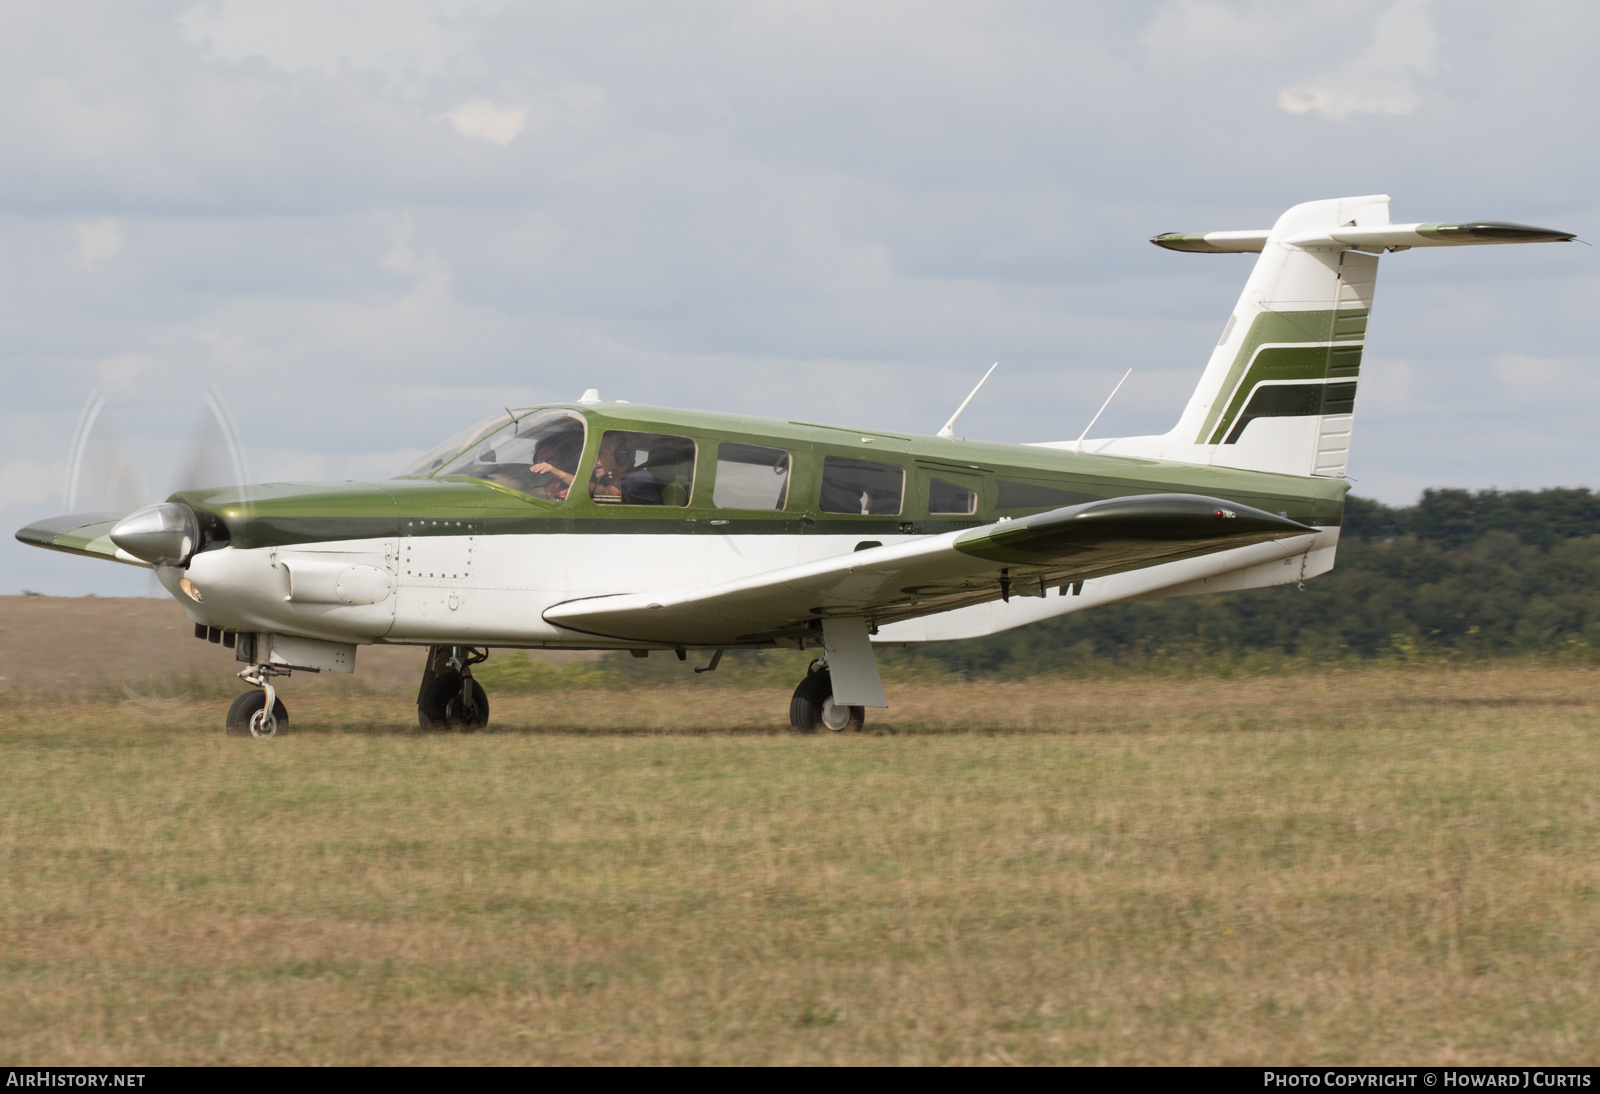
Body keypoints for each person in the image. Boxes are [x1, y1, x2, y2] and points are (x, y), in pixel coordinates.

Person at [587, 431, 661, 505]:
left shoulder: (640, 477)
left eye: (600, 453)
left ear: (622, 455)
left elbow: (610, 496)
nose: (595, 459)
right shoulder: (605, 479)